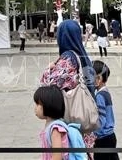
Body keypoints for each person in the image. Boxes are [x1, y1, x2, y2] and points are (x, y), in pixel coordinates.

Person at [40, 20, 97, 150]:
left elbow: (46, 87)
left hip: (70, 123)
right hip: (84, 122)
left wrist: (48, 69)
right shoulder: (83, 56)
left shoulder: (68, 59)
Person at [34, 85, 87, 160]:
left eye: (37, 104)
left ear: (47, 105)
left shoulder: (55, 129)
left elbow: (57, 156)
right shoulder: (50, 126)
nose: (35, 108)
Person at [92, 61, 118, 160]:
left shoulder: (99, 96)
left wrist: (94, 134)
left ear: (99, 78)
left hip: (103, 139)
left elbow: (101, 120)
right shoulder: (106, 92)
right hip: (110, 136)